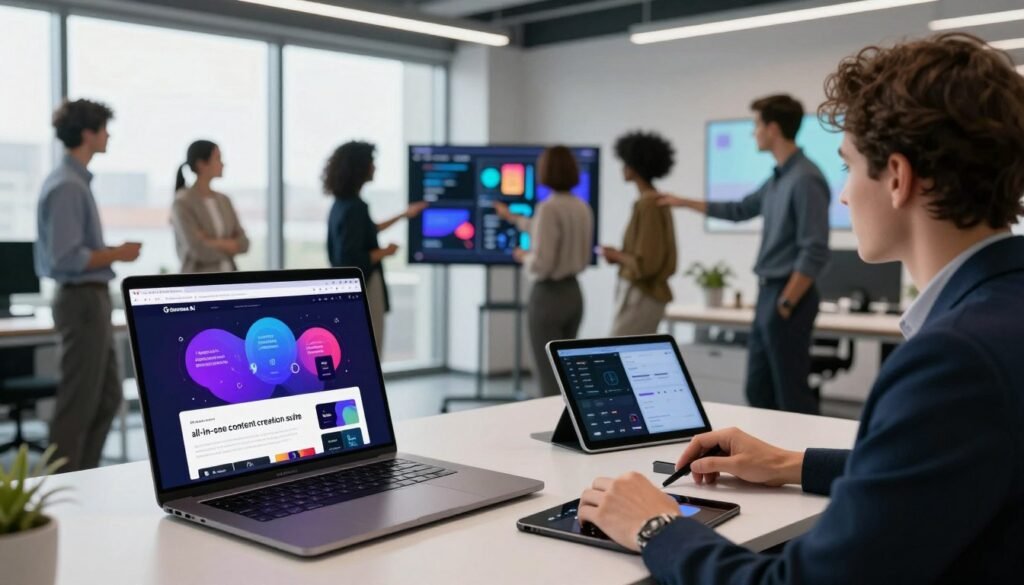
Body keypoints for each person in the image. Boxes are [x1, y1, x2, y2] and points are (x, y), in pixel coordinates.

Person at [576, 33, 1024, 584]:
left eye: (850, 168)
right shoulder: (1003, 314)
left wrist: (655, 528)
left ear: (899, 179)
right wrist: (792, 464)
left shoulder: (954, 359)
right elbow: (944, 467)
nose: (843, 194)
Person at [659, 95, 830, 414]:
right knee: (758, 389)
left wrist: (787, 301)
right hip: (769, 294)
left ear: (773, 128)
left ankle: (804, 459)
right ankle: (769, 456)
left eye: (756, 126)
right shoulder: (779, 178)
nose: (754, 133)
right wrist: (684, 202)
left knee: (791, 395)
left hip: (788, 295)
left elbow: (815, 248)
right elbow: (739, 209)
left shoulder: (806, 179)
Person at [34, 99, 141, 472]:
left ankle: (84, 474)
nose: (108, 135)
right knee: (78, 403)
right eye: (104, 128)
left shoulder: (76, 181)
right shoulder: (67, 186)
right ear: (87, 133)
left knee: (108, 397)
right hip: (80, 300)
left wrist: (110, 254)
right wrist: (117, 254)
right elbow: (66, 258)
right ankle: (60, 486)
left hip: (90, 300)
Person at [494, 146, 594, 398]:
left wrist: (523, 256)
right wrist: (513, 218)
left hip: (548, 297)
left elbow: (542, 263)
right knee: (567, 374)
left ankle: (549, 432)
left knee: (548, 377)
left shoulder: (549, 208)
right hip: (574, 294)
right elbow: (544, 229)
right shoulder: (582, 207)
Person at [323, 141, 426, 354]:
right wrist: (386, 252)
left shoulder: (342, 204)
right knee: (371, 348)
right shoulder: (356, 207)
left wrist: (403, 215)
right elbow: (351, 258)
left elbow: (367, 230)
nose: (375, 167)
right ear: (360, 168)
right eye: (371, 162)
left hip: (348, 289)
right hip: (367, 285)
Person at [601, 131, 677, 336]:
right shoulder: (656, 201)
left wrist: (616, 256)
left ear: (634, 166)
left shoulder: (648, 205)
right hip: (642, 294)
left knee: (617, 352)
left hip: (641, 295)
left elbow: (647, 264)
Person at [170, 140, 250, 273]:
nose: (223, 164)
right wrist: (230, 245)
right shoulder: (182, 202)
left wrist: (210, 241)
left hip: (230, 277)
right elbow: (197, 250)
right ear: (201, 164)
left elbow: (244, 244)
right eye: (218, 158)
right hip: (198, 281)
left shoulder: (225, 200)